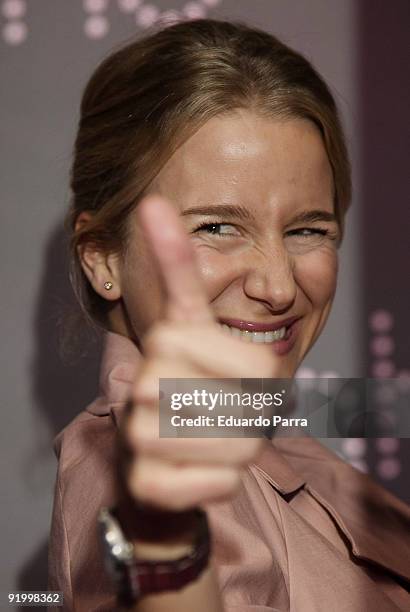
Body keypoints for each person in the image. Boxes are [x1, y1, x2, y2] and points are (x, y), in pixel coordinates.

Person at [48, 18, 410, 612]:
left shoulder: (253, 417)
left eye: (307, 229)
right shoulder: (132, 473)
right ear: (102, 256)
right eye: (216, 227)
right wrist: (166, 550)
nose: (278, 285)